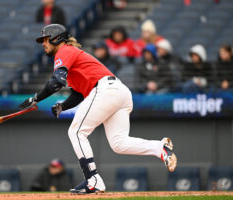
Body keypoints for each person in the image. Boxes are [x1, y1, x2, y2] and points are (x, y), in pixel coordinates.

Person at [19, 24, 177, 194]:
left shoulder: (64, 51)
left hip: (105, 90)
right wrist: (63, 106)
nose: (43, 43)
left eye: (45, 39)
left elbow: (57, 82)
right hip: (119, 92)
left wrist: (35, 98)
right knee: (119, 143)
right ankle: (160, 148)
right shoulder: (70, 55)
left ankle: (93, 180)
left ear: (56, 38)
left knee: (76, 132)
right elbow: (79, 94)